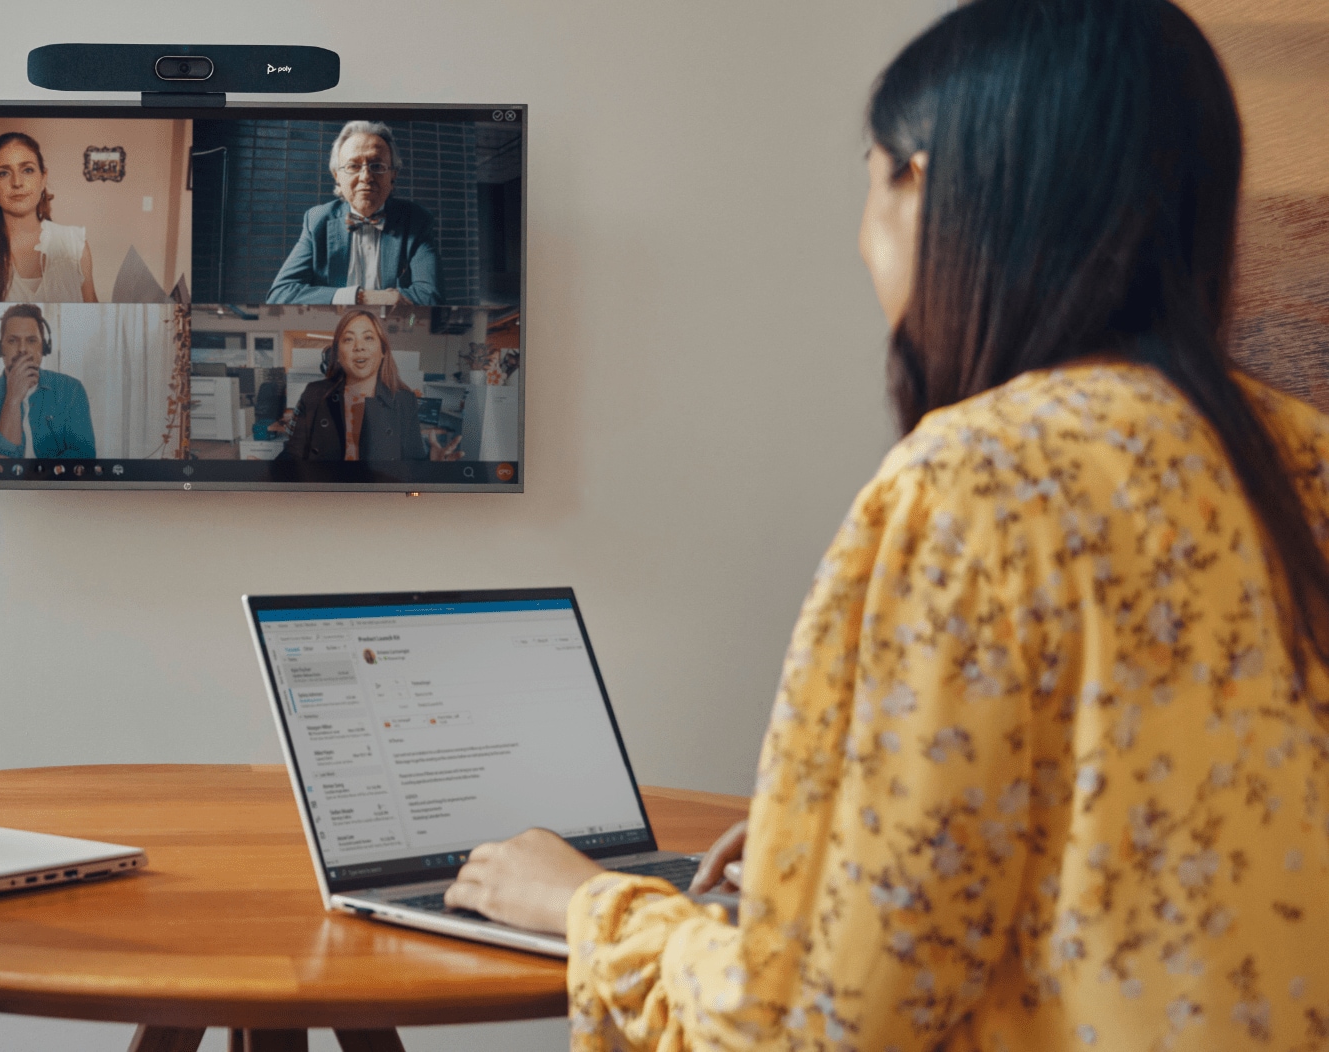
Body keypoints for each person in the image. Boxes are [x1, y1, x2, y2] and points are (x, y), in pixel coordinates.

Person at [441, 1, 1329, 1049]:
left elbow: (819, 1020)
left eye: (868, 176)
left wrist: (586, 901)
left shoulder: (976, 477)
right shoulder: (1301, 454)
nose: (860, 235)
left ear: (927, 187)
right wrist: (828, 846)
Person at [267, 121, 442, 306]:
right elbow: (280, 294)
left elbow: (431, 296)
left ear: (393, 174)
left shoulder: (417, 220)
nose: (366, 177)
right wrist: (361, 297)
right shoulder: (317, 220)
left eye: (377, 166)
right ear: (337, 176)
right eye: (353, 166)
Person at [277, 309, 456, 462]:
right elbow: (292, 456)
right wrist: (268, 471)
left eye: (368, 338)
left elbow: (411, 466)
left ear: (383, 351)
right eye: (348, 339)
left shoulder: (404, 400)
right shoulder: (314, 394)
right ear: (338, 354)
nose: (359, 347)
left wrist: (431, 463)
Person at [0, 132, 99, 303]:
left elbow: (95, 321)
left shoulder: (75, 245)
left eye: (27, 170)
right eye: (4, 173)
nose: (17, 182)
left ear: (43, 178)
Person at [0, 303, 96, 459]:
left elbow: (83, 459)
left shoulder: (71, 390)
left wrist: (33, 477)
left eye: (31, 340)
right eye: (13, 341)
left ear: (44, 347)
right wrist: (13, 399)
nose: (22, 349)